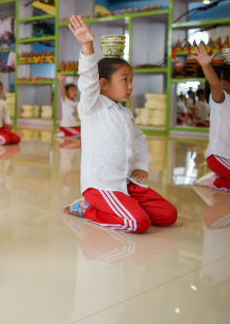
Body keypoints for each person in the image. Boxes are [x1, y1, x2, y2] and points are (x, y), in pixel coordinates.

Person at [62, 15, 177, 233]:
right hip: (102, 186)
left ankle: (122, 204)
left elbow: (139, 138)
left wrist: (142, 165)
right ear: (103, 84)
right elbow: (87, 81)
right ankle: (86, 209)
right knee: (137, 223)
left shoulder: (124, 113)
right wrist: (87, 47)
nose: (130, 86)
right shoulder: (92, 108)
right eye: (125, 79)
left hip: (126, 183)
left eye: (131, 80)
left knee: (168, 215)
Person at [192, 42, 230, 192]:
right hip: (219, 156)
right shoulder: (222, 99)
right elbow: (215, 85)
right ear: (224, 84)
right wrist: (206, 66)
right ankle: (215, 182)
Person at [55, 72, 80, 138]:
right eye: (72, 90)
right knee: (79, 134)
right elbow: (63, 91)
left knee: (83, 132)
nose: (74, 92)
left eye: (75, 90)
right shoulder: (66, 101)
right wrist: (61, 81)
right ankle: (63, 133)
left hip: (74, 125)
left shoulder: (76, 103)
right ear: (67, 92)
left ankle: (65, 133)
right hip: (66, 126)